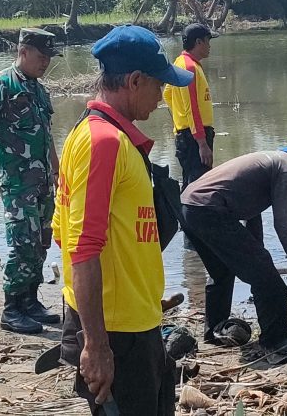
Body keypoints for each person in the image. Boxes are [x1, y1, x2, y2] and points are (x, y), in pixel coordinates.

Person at [53, 25, 193, 415]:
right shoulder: (103, 144)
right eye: (159, 85)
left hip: (133, 318)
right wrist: (96, 346)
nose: (163, 96)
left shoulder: (109, 138)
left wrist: (141, 286)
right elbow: (81, 249)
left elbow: (63, 234)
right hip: (117, 333)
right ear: (134, 81)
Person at [180, 131, 287, 353]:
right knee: (269, 281)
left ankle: (214, 332)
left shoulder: (271, 160)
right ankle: (277, 341)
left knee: (222, 271)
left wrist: (257, 253)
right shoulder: (286, 170)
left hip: (188, 207)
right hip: (210, 209)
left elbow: (251, 210)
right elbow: (284, 223)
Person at [0, 28, 62, 334]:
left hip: (42, 181)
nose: (46, 63)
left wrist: (58, 173)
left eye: (49, 58)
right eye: (41, 56)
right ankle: (11, 308)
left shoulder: (40, 90)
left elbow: (47, 136)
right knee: (22, 243)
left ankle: (30, 301)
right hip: (17, 182)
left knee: (42, 240)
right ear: (24, 51)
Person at [163, 23, 219, 189]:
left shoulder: (180, 63)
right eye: (208, 41)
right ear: (198, 42)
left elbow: (167, 94)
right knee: (198, 188)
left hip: (188, 134)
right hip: (195, 137)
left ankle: (184, 214)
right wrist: (202, 143)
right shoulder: (189, 67)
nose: (209, 46)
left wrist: (180, 120)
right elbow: (192, 106)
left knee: (191, 185)